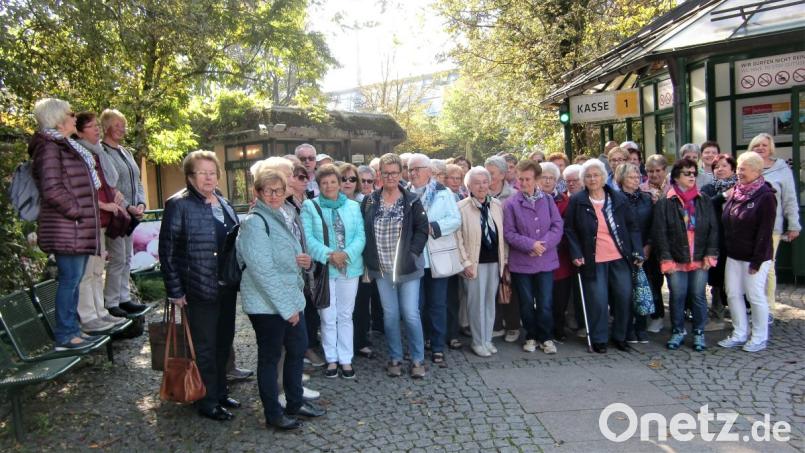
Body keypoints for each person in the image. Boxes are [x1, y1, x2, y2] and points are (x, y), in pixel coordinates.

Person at [237, 168, 325, 430]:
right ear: (258, 193)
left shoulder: (284, 213)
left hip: (290, 298)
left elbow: (289, 253)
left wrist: (305, 262)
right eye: (268, 191)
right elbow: (262, 271)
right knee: (270, 358)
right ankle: (273, 414)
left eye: (279, 190)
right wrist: (288, 309)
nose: (274, 195)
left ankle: (295, 402)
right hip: (267, 305)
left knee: (297, 351)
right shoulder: (254, 222)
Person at [159, 150, 240, 421]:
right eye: (202, 172)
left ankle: (219, 391)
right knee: (204, 346)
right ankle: (206, 400)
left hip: (226, 287)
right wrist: (175, 291)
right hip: (198, 287)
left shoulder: (224, 202)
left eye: (212, 172)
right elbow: (167, 251)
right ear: (190, 176)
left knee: (223, 342)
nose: (208, 177)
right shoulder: (178, 205)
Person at [30, 98, 103, 350]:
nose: (75, 118)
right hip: (67, 226)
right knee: (70, 279)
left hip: (75, 226)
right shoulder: (50, 147)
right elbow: (52, 189)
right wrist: (78, 211)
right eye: (71, 114)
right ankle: (65, 335)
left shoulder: (64, 145)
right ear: (59, 118)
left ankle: (73, 330)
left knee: (74, 279)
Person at [361, 153, 429, 379]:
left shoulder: (411, 200)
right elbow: (364, 232)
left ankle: (418, 358)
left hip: (408, 267)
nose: (390, 177)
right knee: (390, 315)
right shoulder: (370, 201)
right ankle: (395, 357)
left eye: (394, 172)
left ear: (401, 174)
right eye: (386, 172)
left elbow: (422, 229)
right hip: (382, 268)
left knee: (410, 313)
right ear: (379, 174)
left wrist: (413, 253)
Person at [564, 159, 643, 353]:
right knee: (598, 300)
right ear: (584, 180)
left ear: (603, 177)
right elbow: (570, 230)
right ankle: (599, 338)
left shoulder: (618, 198)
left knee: (623, 297)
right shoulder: (577, 201)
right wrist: (575, 252)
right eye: (588, 176)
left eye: (596, 175)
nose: (592, 179)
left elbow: (632, 227)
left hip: (619, 257)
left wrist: (638, 250)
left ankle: (620, 335)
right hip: (593, 259)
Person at [301, 164, 366, 379]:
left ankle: (346, 359)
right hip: (324, 269)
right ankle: (331, 358)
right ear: (318, 185)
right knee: (327, 316)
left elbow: (361, 237)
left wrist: (345, 254)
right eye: (324, 183)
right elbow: (307, 239)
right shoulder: (310, 207)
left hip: (350, 267)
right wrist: (331, 255)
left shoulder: (353, 207)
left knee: (346, 315)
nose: (329, 186)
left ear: (340, 183)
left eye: (333, 181)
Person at [652, 159, 718, 351]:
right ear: (676, 177)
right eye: (687, 173)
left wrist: (711, 254)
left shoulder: (704, 199)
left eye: (693, 173)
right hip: (675, 258)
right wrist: (665, 258)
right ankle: (678, 330)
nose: (691, 176)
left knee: (698, 296)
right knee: (677, 296)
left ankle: (699, 331)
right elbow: (660, 233)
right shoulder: (666, 202)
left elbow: (713, 229)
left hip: (699, 257)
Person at [74, 112, 128, 332]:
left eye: (97, 126)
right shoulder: (78, 152)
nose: (96, 130)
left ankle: (100, 311)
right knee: (87, 271)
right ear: (79, 131)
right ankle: (88, 315)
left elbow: (105, 182)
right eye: (91, 126)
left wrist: (113, 193)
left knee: (97, 269)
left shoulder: (96, 153)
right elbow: (80, 189)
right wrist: (101, 204)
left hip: (101, 220)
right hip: (87, 220)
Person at [718, 152, 777, 352]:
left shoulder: (766, 196)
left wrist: (757, 261)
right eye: (739, 168)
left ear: (756, 171)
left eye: (743, 169)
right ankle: (739, 333)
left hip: (755, 257)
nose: (739, 172)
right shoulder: (737, 191)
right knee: (733, 294)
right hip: (734, 255)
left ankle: (759, 337)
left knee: (755, 295)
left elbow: (765, 231)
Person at [408, 153, 461, 367]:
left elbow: (455, 220)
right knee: (416, 306)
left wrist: (432, 227)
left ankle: (438, 346)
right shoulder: (405, 193)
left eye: (417, 169)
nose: (413, 173)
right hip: (414, 258)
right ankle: (420, 345)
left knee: (437, 304)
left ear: (429, 172)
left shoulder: (443, 192)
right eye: (410, 169)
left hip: (437, 256)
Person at [504, 160, 563, 354]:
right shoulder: (511, 203)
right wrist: (530, 245)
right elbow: (509, 233)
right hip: (522, 262)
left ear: (536, 179)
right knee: (527, 302)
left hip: (545, 261)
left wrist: (542, 245)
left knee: (545, 302)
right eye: (520, 179)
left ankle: (546, 337)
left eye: (528, 179)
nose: (523, 183)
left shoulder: (547, 200)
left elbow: (557, 226)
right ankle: (530, 335)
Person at [99, 109, 147, 317]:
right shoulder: (102, 152)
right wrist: (128, 206)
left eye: (123, 125)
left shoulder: (125, 152)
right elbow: (110, 185)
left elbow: (137, 181)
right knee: (118, 257)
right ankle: (111, 302)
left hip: (132, 214)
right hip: (117, 214)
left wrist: (142, 203)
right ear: (106, 127)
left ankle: (124, 298)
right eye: (117, 125)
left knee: (127, 257)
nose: (121, 129)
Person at [748, 133, 801, 319]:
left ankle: (768, 309)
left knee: (768, 266)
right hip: (748, 228)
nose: (760, 148)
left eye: (764, 145)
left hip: (772, 227)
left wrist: (794, 224)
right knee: (749, 266)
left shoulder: (781, 169)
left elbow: (790, 198)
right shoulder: (748, 166)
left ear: (771, 148)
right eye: (756, 145)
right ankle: (754, 305)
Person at [455, 165, 506, 357]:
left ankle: (487, 339)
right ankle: (477, 341)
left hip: (494, 261)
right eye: (477, 183)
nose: (482, 186)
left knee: (489, 302)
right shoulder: (461, 207)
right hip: (474, 264)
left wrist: (505, 259)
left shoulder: (497, 205)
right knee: (475, 304)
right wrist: (465, 262)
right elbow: (457, 238)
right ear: (469, 186)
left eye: (485, 182)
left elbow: (502, 236)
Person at [615, 163, 654, 344]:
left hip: (646, 249)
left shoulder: (646, 198)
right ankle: (627, 328)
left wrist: (648, 246)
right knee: (626, 292)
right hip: (623, 251)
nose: (636, 180)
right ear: (622, 178)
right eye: (631, 177)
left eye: (637, 176)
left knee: (644, 289)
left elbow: (654, 224)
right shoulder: (615, 199)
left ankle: (641, 327)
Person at [485, 156, 519, 342]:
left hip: (509, 247)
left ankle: (513, 325)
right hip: (488, 248)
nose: (488, 178)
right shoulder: (480, 193)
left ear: (502, 175)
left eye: (492, 174)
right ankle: (496, 324)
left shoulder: (512, 195)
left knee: (509, 287)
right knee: (492, 287)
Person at [701, 154, 737, 326]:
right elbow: (705, 205)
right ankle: (717, 311)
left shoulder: (742, 188)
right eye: (716, 167)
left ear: (733, 168)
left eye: (724, 166)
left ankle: (739, 313)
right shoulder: (709, 188)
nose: (720, 169)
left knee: (735, 278)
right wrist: (723, 196)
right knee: (716, 277)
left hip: (737, 239)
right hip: (716, 239)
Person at [539, 162, 572, 341]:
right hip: (537, 255)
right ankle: (544, 330)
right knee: (543, 298)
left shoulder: (565, 201)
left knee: (559, 298)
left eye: (551, 178)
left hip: (561, 257)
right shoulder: (531, 199)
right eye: (544, 177)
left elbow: (566, 228)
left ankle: (558, 328)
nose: (547, 181)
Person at [353, 165, 384, 358]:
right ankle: (357, 339)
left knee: (367, 299)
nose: (365, 184)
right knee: (357, 302)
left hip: (371, 258)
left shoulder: (377, 200)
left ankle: (364, 335)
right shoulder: (352, 202)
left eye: (369, 181)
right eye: (361, 180)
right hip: (353, 258)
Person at [641, 154, 670, 334]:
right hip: (650, 241)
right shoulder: (641, 189)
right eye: (650, 171)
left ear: (664, 171)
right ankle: (656, 316)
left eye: (658, 170)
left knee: (674, 284)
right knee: (653, 281)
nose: (654, 174)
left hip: (670, 242)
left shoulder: (672, 188)